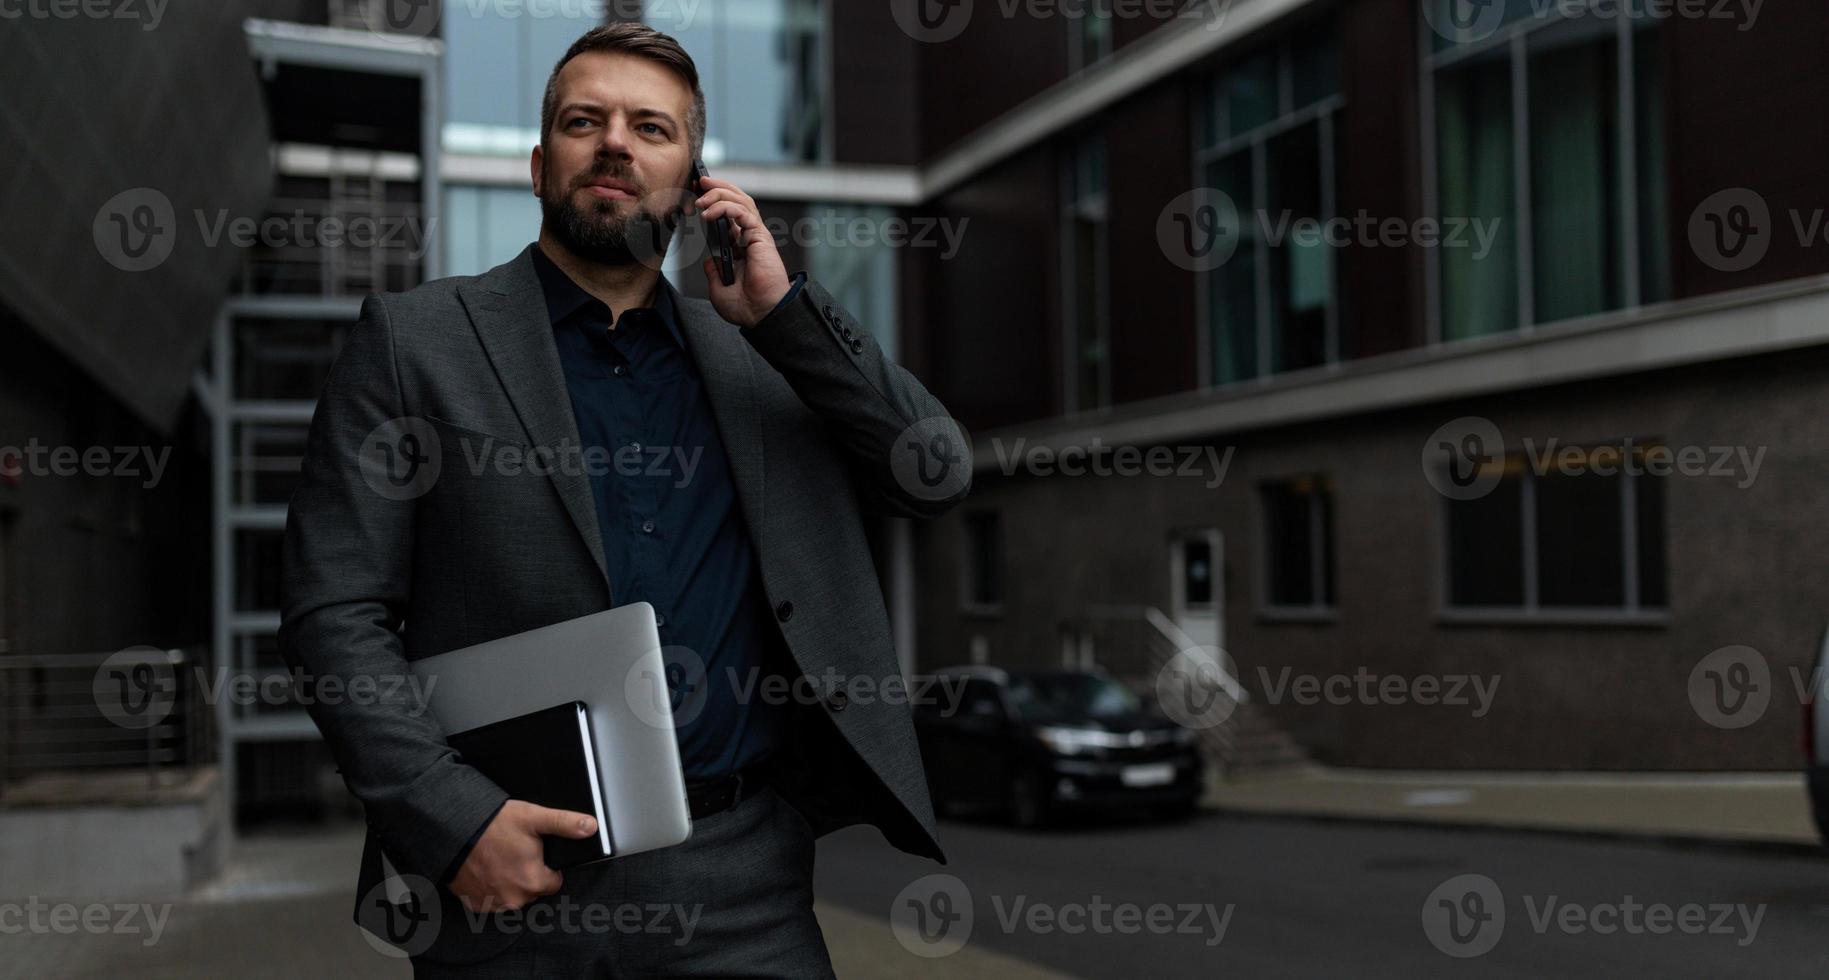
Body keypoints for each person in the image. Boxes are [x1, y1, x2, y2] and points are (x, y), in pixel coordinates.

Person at [280, 22, 971, 977]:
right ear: (536, 165)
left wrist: (787, 318)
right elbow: (334, 610)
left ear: (693, 182)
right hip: (513, 883)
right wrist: (452, 820)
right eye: (583, 120)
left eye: (651, 128)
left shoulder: (767, 358)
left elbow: (935, 473)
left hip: (744, 886)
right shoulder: (413, 342)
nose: (615, 143)